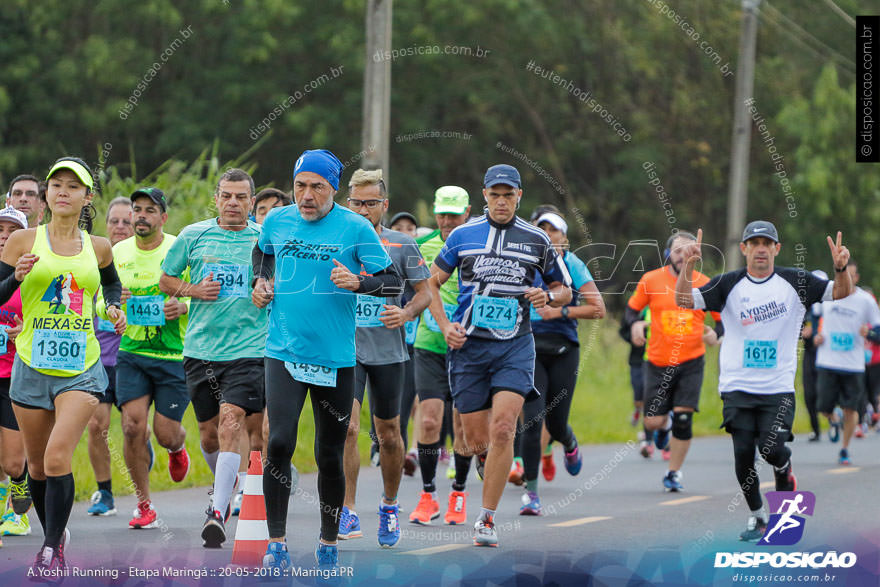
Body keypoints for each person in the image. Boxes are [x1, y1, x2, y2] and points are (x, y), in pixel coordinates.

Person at [252, 149, 402, 572]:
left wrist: (359, 281)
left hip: (335, 358)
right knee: (277, 441)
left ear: (333, 189)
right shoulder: (277, 220)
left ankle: (328, 541)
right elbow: (261, 253)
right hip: (282, 349)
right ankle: (276, 544)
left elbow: (391, 282)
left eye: (317, 186)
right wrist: (260, 282)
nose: (307, 195)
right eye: (300, 185)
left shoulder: (354, 227)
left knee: (329, 453)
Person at [675, 221, 852, 541]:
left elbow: (840, 292)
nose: (760, 248)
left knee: (771, 451)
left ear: (776, 249)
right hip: (737, 386)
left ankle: (785, 484)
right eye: (753, 243)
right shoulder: (727, 284)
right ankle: (758, 517)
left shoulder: (796, 281)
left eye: (766, 243)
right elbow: (685, 301)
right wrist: (688, 267)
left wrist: (840, 269)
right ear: (743, 248)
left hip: (777, 387)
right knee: (743, 454)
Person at [429, 164, 572, 547]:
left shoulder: (536, 239)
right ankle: (485, 463)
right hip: (469, 348)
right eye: (496, 194)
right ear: (485, 196)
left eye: (509, 194)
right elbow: (430, 283)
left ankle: (486, 519)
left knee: (505, 428)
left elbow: (564, 290)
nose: (502, 201)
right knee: (475, 440)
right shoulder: (462, 235)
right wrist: (445, 326)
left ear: (519, 196)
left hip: (515, 345)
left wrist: (548, 296)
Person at [0, 157, 125, 575]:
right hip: (31, 364)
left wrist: (113, 307)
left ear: (87, 197)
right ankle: (56, 531)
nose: (63, 192)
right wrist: (15, 278)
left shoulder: (99, 246)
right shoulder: (22, 241)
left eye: (74, 186)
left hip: (82, 367)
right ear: (46, 195)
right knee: (35, 466)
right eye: (56, 185)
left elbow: (111, 283)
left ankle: (50, 548)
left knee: (56, 458)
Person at [160, 169, 268, 548]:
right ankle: (226, 488)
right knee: (208, 435)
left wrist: (266, 290)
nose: (234, 203)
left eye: (241, 197)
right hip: (201, 350)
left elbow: (280, 283)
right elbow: (166, 280)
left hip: (250, 350)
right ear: (217, 199)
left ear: (252, 203)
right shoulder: (193, 235)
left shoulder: (264, 239)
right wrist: (193, 289)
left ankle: (218, 511)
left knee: (231, 420)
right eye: (227, 196)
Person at [339, 169, 431, 547]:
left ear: (384, 205)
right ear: (348, 204)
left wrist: (406, 313)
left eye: (371, 203)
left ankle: (389, 506)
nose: (363, 210)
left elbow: (425, 293)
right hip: (345, 349)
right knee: (346, 427)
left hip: (389, 352)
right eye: (357, 203)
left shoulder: (402, 244)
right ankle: (347, 509)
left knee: (389, 434)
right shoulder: (336, 241)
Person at [101, 187, 191, 531]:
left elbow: (199, 296)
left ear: (163, 218)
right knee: (131, 425)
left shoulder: (178, 249)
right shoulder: (117, 252)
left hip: (172, 355)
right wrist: (112, 306)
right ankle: (144, 504)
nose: (140, 215)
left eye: (149, 210)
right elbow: (98, 301)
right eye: (137, 209)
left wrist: (183, 307)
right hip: (133, 353)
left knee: (165, 433)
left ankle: (175, 448)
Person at [518, 211, 605, 515]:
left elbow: (598, 308)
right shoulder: (522, 261)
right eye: (540, 228)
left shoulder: (573, 264)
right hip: (528, 349)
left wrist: (562, 313)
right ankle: (531, 492)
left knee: (555, 424)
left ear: (564, 238)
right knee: (532, 421)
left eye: (552, 229)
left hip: (564, 350)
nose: (546, 233)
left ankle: (568, 442)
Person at [623, 231, 722, 492]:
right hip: (657, 361)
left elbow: (723, 321)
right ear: (669, 254)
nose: (682, 256)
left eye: (688, 250)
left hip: (691, 361)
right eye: (677, 250)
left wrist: (715, 334)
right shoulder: (651, 280)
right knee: (653, 422)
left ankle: (673, 473)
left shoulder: (706, 283)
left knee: (683, 419)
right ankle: (663, 426)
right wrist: (634, 325)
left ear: (696, 254)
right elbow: (631, 311)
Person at [408, 186, 476, 527]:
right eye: (442, 214)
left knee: (463, 424)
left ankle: (459, 492)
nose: (448, 221)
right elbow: (413, 290)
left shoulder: (480, 244)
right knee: (431, 419)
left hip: (470, 349)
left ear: (467, 213)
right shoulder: (423, 247)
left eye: (454, 214)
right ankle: (428, 494)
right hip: (430, 344)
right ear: (435, 214)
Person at [84, 197, 135, 518]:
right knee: (95, 425)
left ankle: (142, 450)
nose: (119, 227)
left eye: (126, 222)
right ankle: (105, 492)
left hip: (134, 356)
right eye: (114, 221)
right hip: (99, 358)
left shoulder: (146, 260)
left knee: (134, 427)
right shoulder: (90, 258)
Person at [813, 261, 880, 465]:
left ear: (856, 278)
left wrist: (868, 332)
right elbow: (814, 319)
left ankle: (844, 449)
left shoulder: (865, 300)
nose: (847, 281)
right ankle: (834, 419)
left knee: (851, 409)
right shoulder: (827, 294)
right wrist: (816, 334)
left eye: (851, 276)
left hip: (853, 364)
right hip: (827, 360)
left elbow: (877, 331)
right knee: (823, 406)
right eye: (844, 276)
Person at [0, 207, 30, 542]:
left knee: (10, 461)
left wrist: (25, 329)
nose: (4, 236)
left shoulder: (30, 275)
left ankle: (21, 484)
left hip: (13, 376)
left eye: (12, 230)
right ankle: (6, 514)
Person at [800, 270, 826, 443]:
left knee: (824, 393)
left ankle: (833, 416)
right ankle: (816, 430)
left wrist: (820, 333)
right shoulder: (804, 305)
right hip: (809, 353)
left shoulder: (832, 306)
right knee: (809, 394)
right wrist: (802, 332)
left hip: (827, 354)